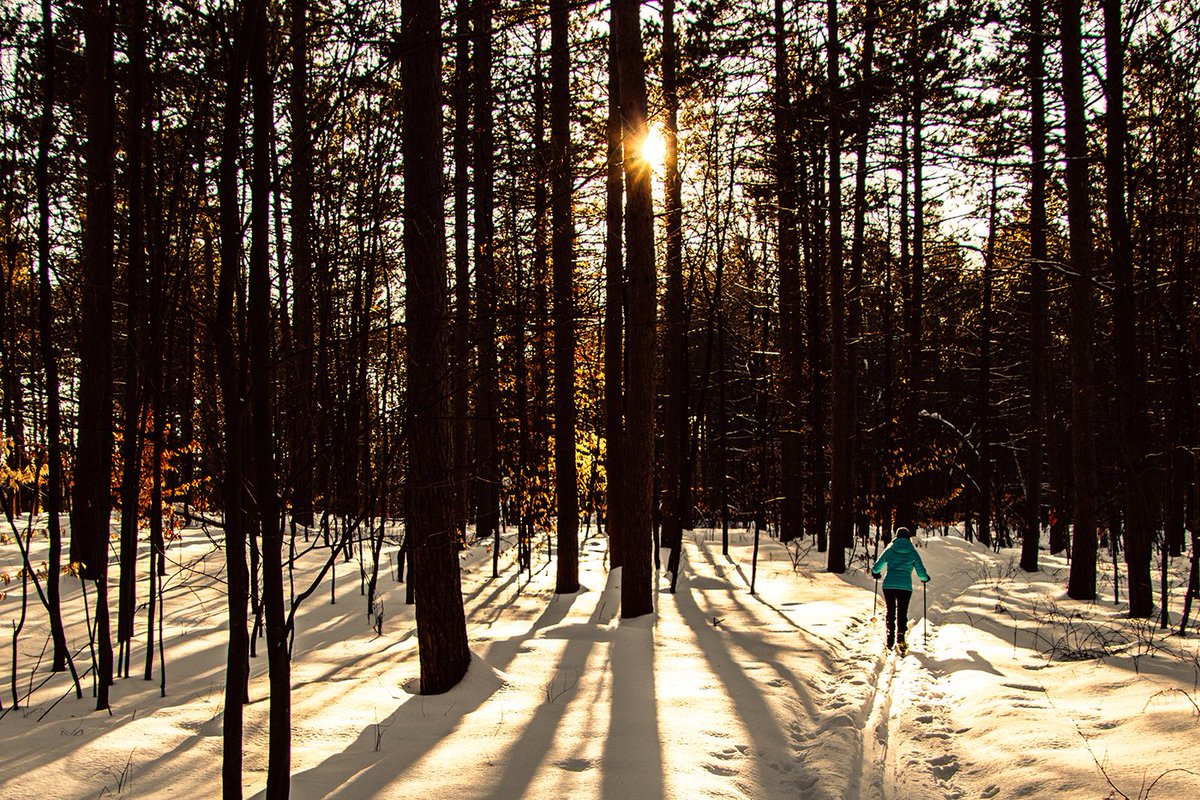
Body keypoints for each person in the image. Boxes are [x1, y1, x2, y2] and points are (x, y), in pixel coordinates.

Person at [871, 527, 929, 654]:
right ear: (908, 538)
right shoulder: (912, 552)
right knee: (902, 611)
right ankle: (901, 636)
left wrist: (876, 573)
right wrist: (925, 578)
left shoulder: (890, 550)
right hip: (905, 586)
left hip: (889, 586)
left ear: (896, 536)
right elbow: (920, 570)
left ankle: (889, 638)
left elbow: (877, 567)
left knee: (890, 610)